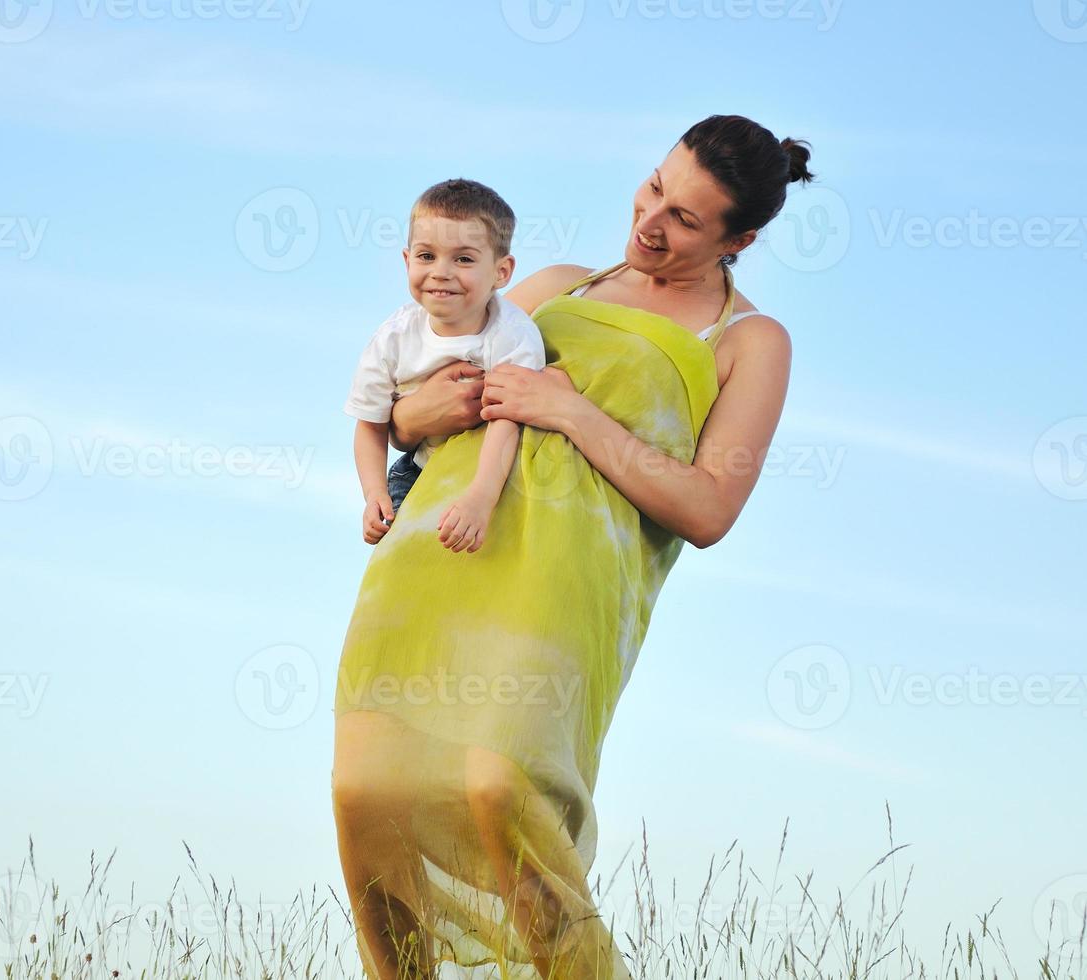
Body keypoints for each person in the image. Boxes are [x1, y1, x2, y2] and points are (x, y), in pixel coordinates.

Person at [332, 114, 809, 979]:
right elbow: (404, 414)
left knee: (498, 787)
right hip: (436, 547)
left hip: (564, 589)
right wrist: (427, 413)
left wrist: (572, 412)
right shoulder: (552, 287)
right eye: (656, 186)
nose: (651, 222)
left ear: (738, 239)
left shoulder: (748, 342)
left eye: (688, 220)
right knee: (369, 791)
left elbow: (707, 509)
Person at [343, 178, 546, 553]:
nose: (441, 271)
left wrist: (481, 499)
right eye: (426, 256)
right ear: (407, 261)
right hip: (420, 469)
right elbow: (370, 423)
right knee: (401, 560)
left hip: (495, 471)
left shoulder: (512, 335)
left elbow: (507, 421)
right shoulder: (393, 338)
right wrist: (374, 494)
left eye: (464, 259)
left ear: (502, 272)